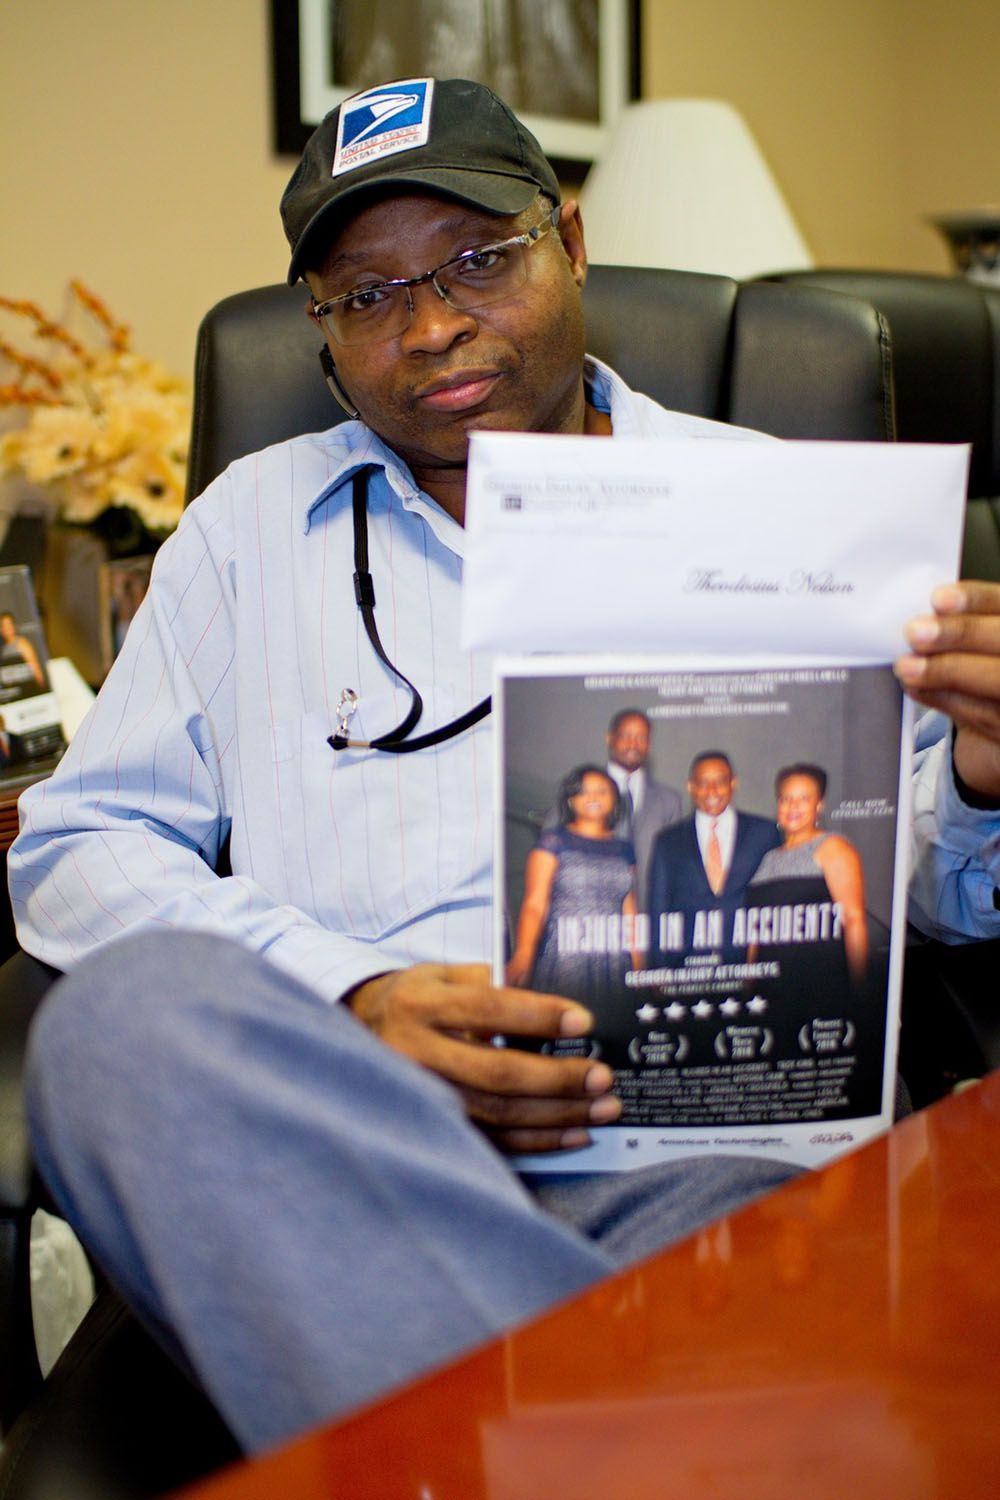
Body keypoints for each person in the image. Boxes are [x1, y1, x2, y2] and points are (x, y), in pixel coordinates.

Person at [10, 78, 1000, 1454]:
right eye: (367, 296)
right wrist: (345, 997)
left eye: (478, 260)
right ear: (318, 329)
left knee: (780, 1215)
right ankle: (641, 1434)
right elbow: (77, 845)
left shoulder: (776, 505)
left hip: (693, 1151)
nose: (427, 326)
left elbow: (937, 902)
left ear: (571, 245)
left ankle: (488, 1428)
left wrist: (985, 777)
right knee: (116, 1034)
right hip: (342, 1150)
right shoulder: (249, 531)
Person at [506, 764, 638, 1006]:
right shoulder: (553, 842)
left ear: (614, 800)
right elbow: (535, 905)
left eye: (602, 791)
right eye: (584, 791)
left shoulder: (624, 849)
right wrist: (523, 956)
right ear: (570, 801)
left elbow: (629, 910)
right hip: (566, 954)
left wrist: (640, 966)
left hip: (615, 957)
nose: (593, 797)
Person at [646, 751, 780, 967]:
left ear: (733, 783)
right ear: (691, 786)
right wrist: (657, 971)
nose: (712, 790)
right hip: (685, 966)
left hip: (748, 965)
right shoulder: (667, 841)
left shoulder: (764, 833)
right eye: (703, 783)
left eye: (720, 781)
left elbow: (775, 903)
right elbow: (658, 909)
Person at [747, 762, 868, 986]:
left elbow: (854, 920)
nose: (792, 806)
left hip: (817, 985)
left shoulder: (832, 847)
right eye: (785, 798)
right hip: (769, 990)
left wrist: (860, 991)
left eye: (803, 798)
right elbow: (757, 931)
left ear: (819, 805)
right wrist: (749, 985)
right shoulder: (768, 858)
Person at [604, 708, 682, 905]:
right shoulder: (581, 793)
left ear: (649, 744)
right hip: (594, 916)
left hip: (650, 914)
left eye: (641, 737)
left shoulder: (669, 800)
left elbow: (676, 868)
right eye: (626, 736)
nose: (633, 744)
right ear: (609, 739)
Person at [0, 610, 45, 692]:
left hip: (28, 690)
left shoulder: (22, 644)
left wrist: (42, 690)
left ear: (13, 626)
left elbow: (35, 669)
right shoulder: (3, 649)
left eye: (9, 624)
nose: (6, 628)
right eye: (3, 625)